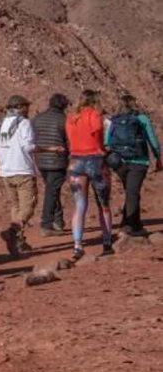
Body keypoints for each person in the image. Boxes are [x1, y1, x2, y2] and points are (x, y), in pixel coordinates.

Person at [106, 93, 162, 238]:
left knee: (131, 192)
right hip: (139, 161)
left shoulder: (114, 120)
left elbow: (107, 141)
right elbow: (152, 140)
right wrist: (158, 157)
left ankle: (135, 224)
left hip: (119, 162)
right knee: (132, 193)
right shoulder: (141, 119)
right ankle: (128, 226)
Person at [66, 90, 114, 258]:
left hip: (76, 161)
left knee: (80, 205)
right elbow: (98, 130)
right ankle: (107, 242)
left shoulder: (72, 117)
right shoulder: (94, 114)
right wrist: (102, 147)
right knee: (103, 205)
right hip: (95, 160)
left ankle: (77, 245)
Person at [0, 94, 36, 255]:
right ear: (20, 107)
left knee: (16, 206)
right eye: (26, 106)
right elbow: (28, 146)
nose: (28, 109)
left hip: (6, 171)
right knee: (28, 206)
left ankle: (18, 243)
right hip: (22, 169)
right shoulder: (24, 123)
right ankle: (12, 231)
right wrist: (44, 149)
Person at [30, 93, 70, 235]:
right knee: (52, 191)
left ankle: (58, 221)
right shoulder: (65, 120)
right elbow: (69, 142)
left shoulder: (37, 119)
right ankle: (46, 224)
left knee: (52, 189)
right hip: (57, 161)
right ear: (64, 105)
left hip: (41, 160)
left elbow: (32, 138)